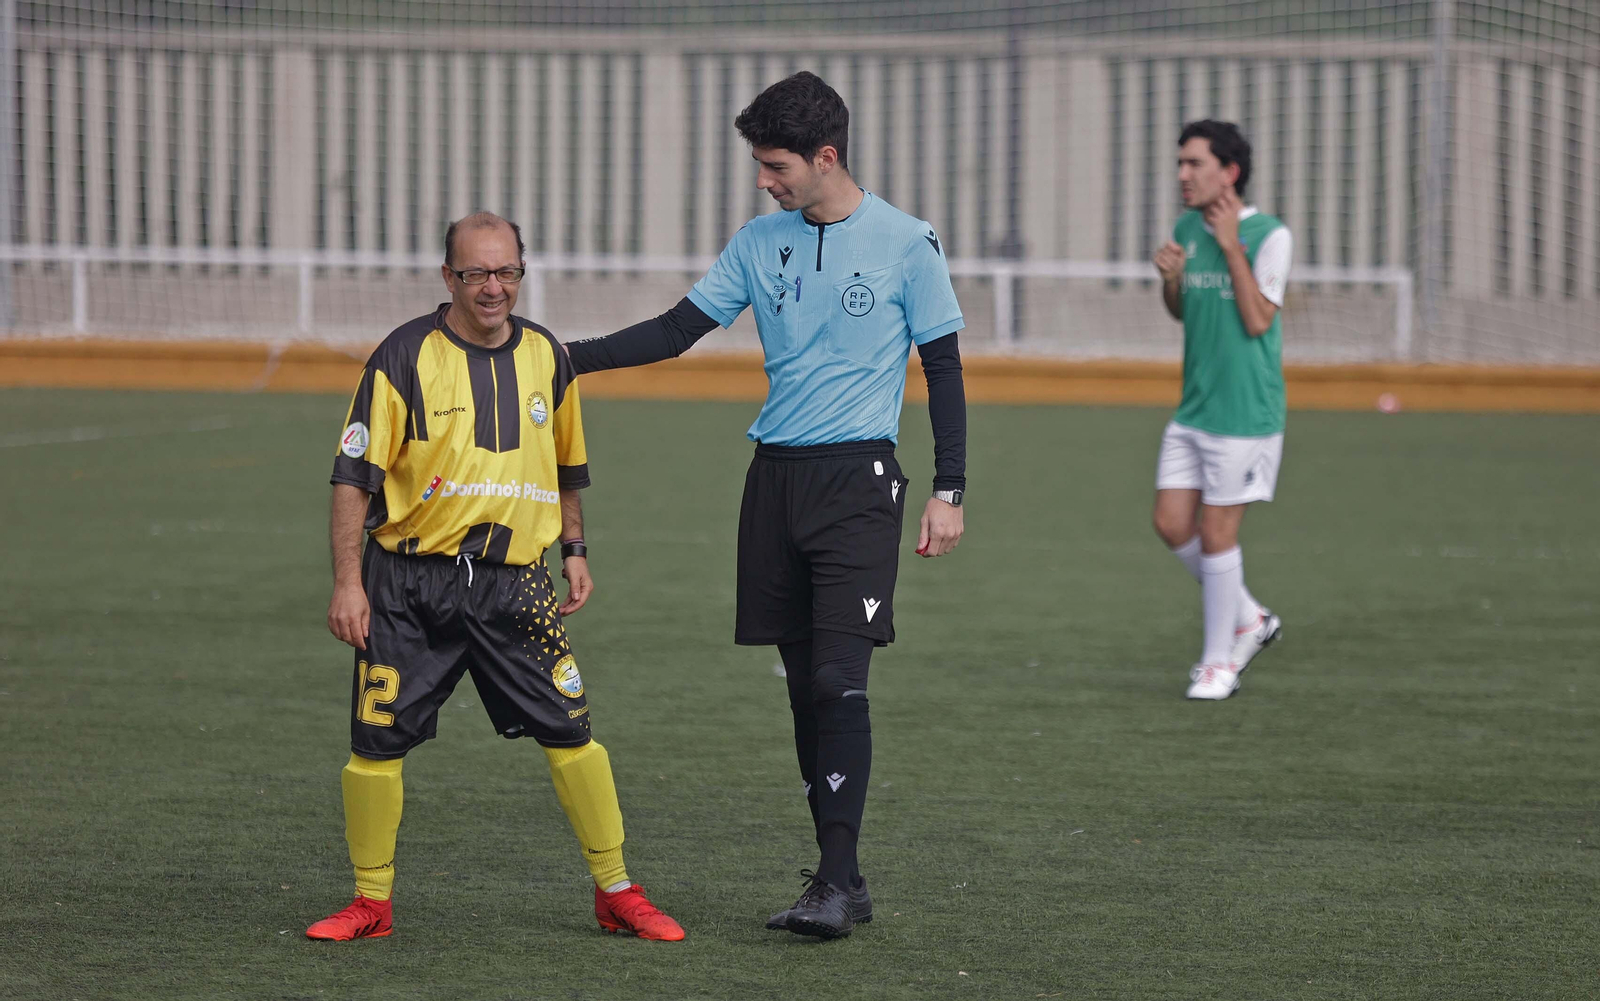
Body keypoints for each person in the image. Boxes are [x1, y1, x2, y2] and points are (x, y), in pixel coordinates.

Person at [566, 71, 968, 940]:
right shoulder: (760, 241)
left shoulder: (908, 243)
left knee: (836, 678)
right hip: (774, 482)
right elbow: (676, 331)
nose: (765, 180)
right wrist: (559, 359)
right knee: (800, 691)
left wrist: (949, 489)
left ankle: (831, 879)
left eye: (776, 164)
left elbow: (943, 370)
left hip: (859, 483)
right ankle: (843, 878)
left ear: (827, 157)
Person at [305, 212, 684, 942]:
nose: (492, 287)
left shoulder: (547, 355)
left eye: (505, 271)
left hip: (517, 585)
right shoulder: (402, 356)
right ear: (448, 276)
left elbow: (567, 466)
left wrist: (574, 548)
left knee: (574, 733)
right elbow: (353, 477)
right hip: (407, 585)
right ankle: (371, 903)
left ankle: (617, 890)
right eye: (476, 272)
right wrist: (347, 582)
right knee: (375, 743)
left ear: (521, 272)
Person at [1150, 121, 1292, 701]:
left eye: (1193, 163)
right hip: (1194, 409)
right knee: (1171, 523)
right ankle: (1251, 619)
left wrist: (1232, 243)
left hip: (1245, 415)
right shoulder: (1186, 226)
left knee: (1215, 533)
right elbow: (1184, 312)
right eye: (1180, 163)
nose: (1182, 175)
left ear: (1228, 172)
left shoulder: (1269, 235)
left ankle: (1218, 664)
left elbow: (1259, 320)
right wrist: (1172, 281)